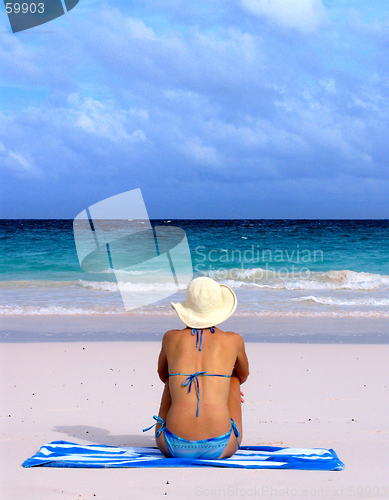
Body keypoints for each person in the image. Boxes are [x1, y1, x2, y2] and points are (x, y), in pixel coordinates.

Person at [143, 276, 249, 459]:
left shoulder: (170, 337)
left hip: (171, 445)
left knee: (171, 377)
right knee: (233, 379)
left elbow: (162, 374)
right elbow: (244, 374)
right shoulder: (234, 340)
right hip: (222, 445)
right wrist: (220, 382)